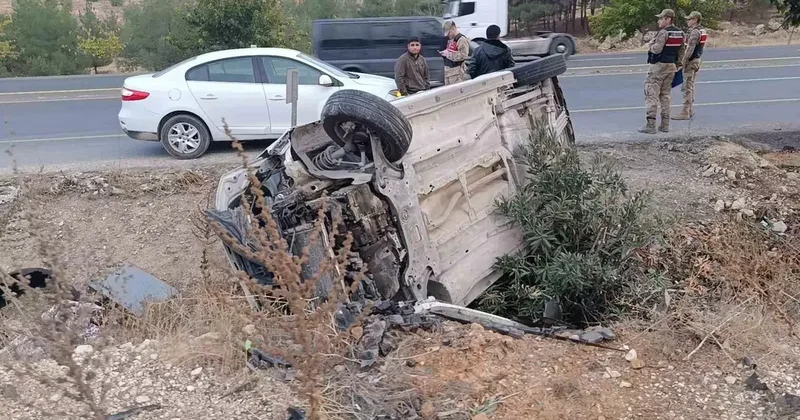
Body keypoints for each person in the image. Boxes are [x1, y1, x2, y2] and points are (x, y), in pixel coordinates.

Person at [639, 9, 685, 134]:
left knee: (651, 94)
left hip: (659, 67)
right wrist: (678, 64)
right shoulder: (680, 33)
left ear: (668, 19)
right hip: (671, 67)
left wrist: (650, 45)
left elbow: (657, 49)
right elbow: (682, 51)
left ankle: (650, 124)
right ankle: (665, 125)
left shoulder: (664, 33)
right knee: (665, 95)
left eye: (661, 18)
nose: (658, 21)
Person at [672, 11, 707, 120]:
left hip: (691, 62)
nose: (688, 21)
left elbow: (690, 49)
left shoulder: (695, 32)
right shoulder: (702, 31)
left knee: (687, 87)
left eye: (690, 19)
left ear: (695, 20)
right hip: (696, 60)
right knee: (690, 86)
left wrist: (683, 62)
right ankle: (689, 109)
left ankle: (685, 111)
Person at [440, 20, 472, 85]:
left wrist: (448, 54)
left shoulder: (461, 40)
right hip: (449, 72)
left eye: (449, 32)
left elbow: (463, 55)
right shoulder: (451, 39)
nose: (448, 35)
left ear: (453, 29)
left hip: (457, 73)